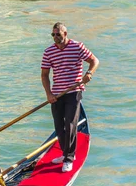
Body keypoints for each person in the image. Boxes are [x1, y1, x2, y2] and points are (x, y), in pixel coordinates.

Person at [41, 22, 99, 173]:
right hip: (57, 94)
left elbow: (94, 61)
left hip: (74, 91)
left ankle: (69, 158)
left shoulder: (77, 47)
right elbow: (45, 75)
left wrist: (89, 73)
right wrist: (49, 94)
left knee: (71, 125)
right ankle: (65, 152)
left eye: (58, 34)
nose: (55, 37)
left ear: (65, 34)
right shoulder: (48, 52)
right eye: (53, 35)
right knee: (59, 127)